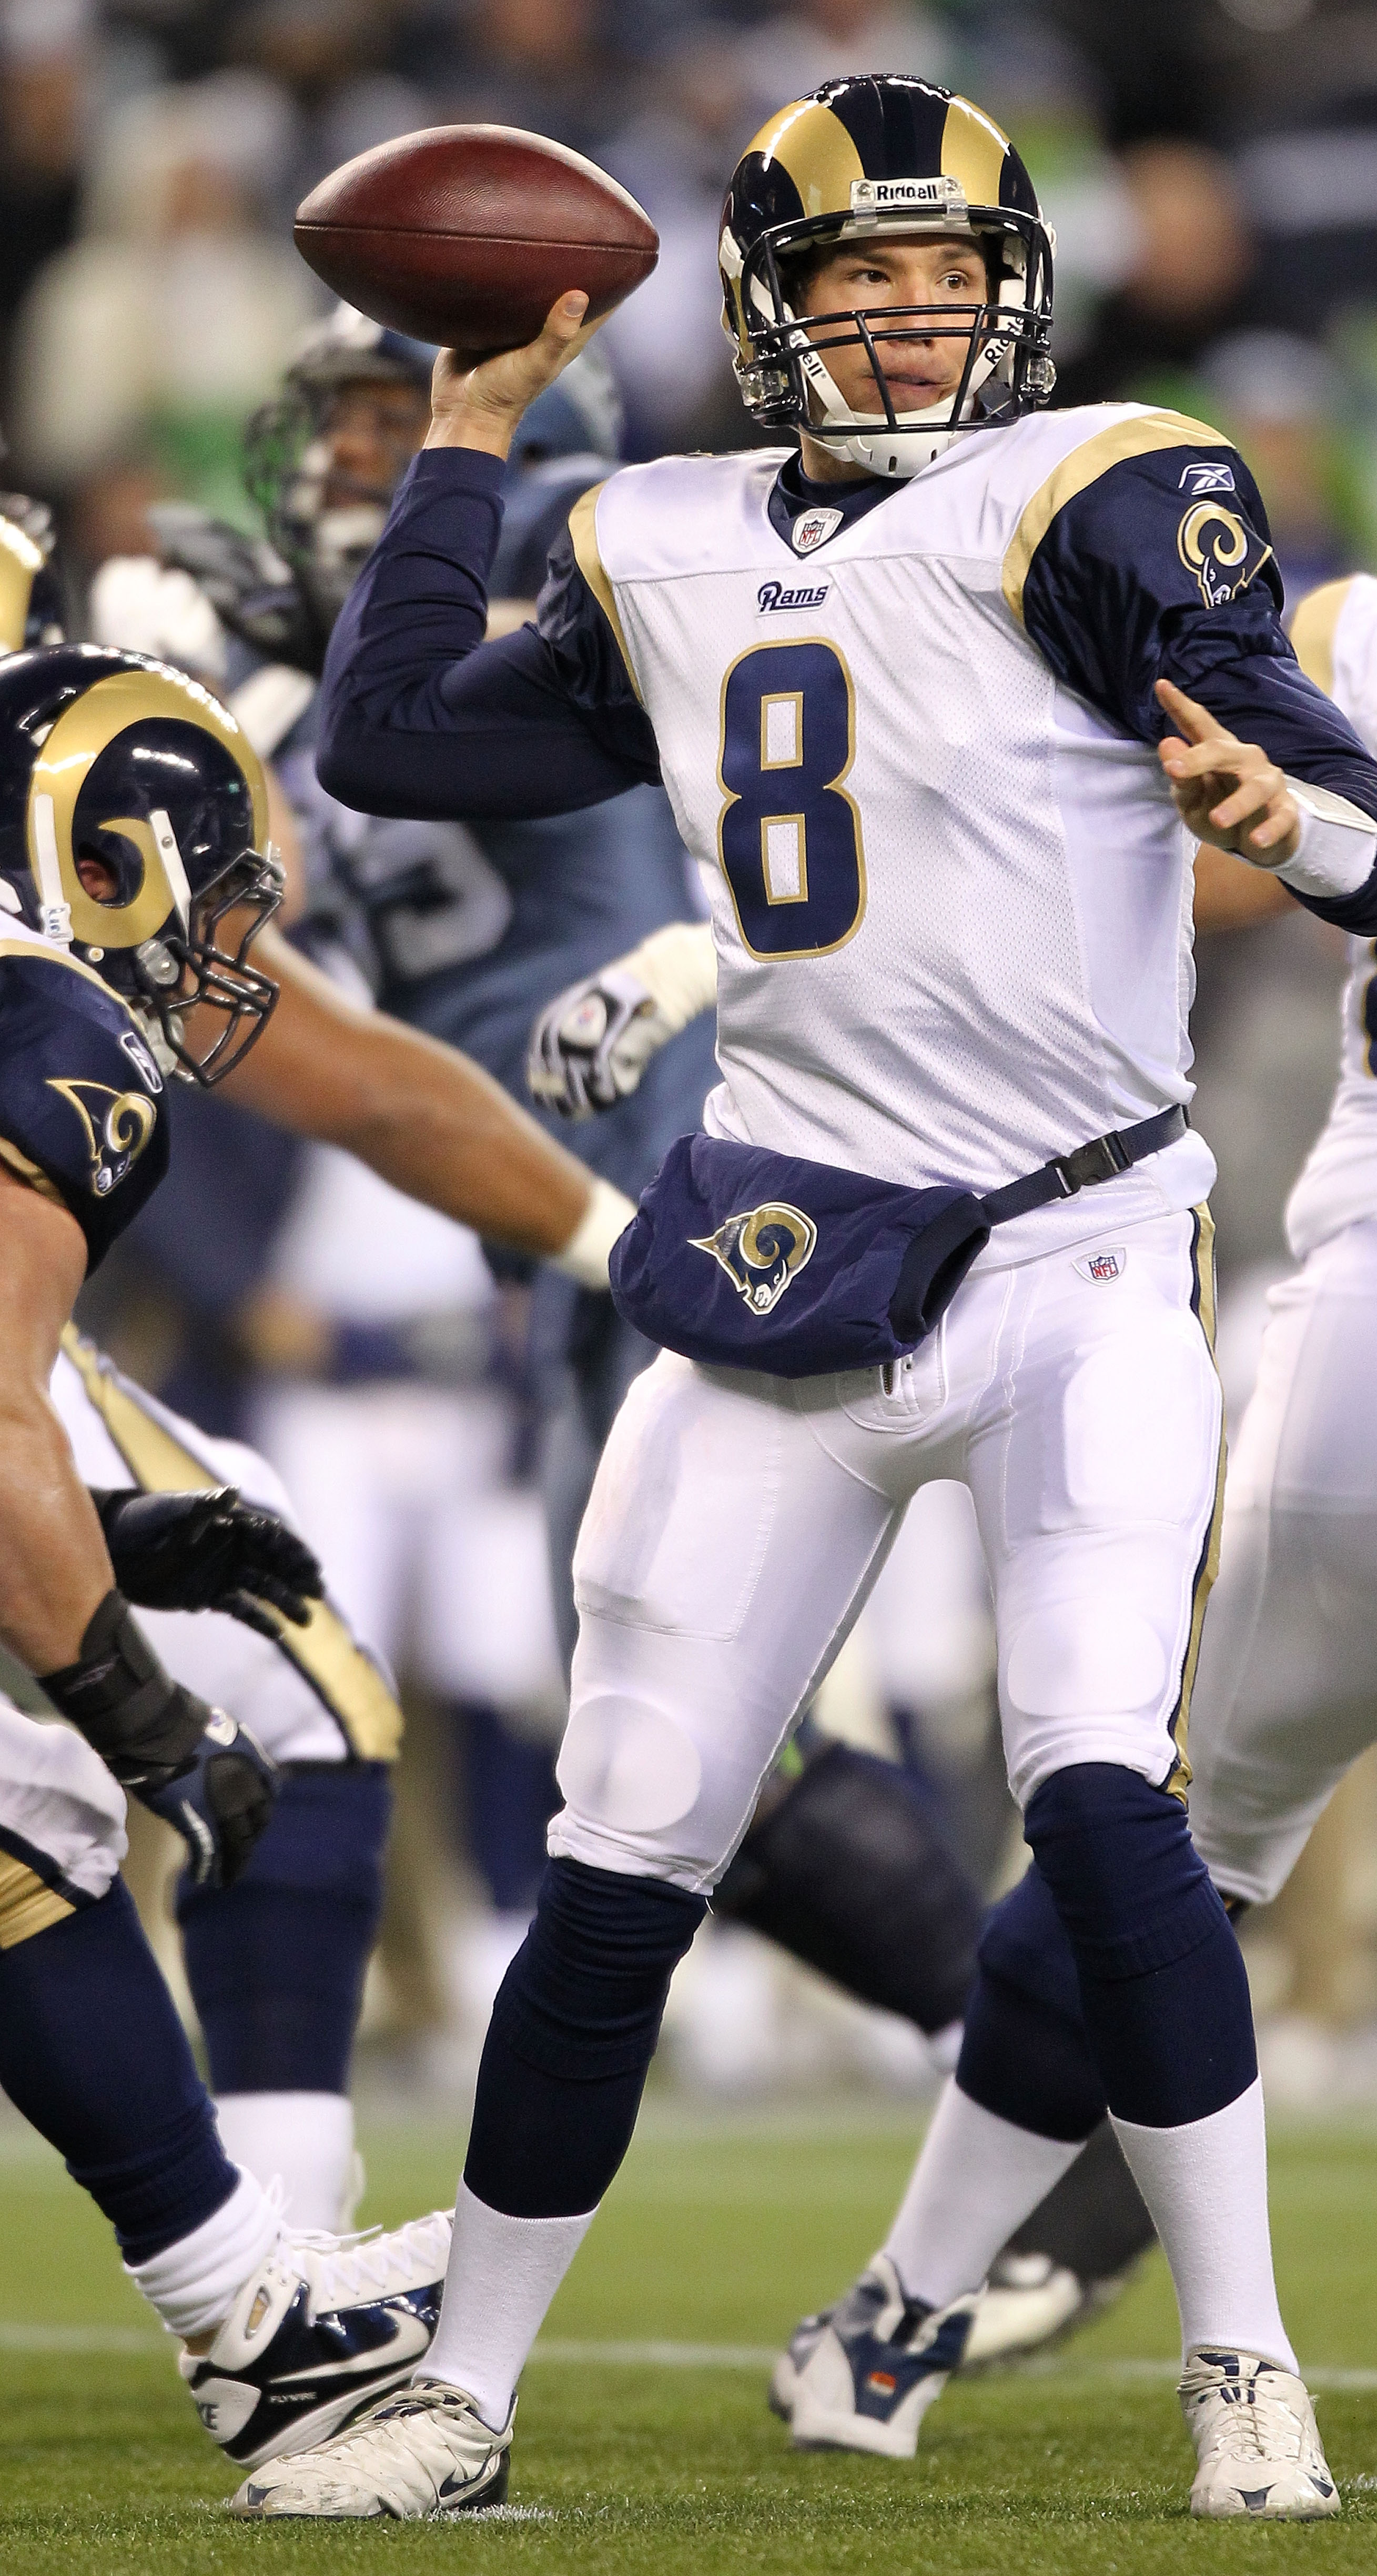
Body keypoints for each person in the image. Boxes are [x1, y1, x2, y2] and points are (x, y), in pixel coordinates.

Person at [230, 75, 1377, 2522]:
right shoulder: (656, 530)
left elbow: (1376, 845)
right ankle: (458, 2395)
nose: (906, 324)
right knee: (627, 1837)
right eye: (854, 285)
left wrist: (1277, 818)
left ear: (1018, 300)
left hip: (1083, 1238)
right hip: (790, 1253)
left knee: (1097, 1781)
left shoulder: (1103, 486)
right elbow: (386, 737)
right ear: (773, 313)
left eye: (943, 279)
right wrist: (467, 428)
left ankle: (1246, 2370)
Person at [117, 305, 1162, 2350]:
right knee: (681, 1737)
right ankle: (1053, 2099)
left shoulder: (597, 558)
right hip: (565, 1205)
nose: (351, 467)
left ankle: (1067, 2107)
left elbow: (378, 770)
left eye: (382, 427)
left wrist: (211, 705)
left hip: (663, 1190)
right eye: (341, 425)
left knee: (696, 1735)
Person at [791, 314, 1377, 2477]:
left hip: (1351, 1347)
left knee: (1164, 1863)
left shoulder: (1371, 630)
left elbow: (1158, 863)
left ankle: (907, 2311)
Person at [0, 631, 630, 2464]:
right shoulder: (47, 1015)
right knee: (36, 1805)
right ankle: (251, 2304)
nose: (218, 961)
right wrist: (139, 1716)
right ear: (91, 859)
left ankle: (249, 2293)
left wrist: (104, 1529)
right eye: (202, 905)